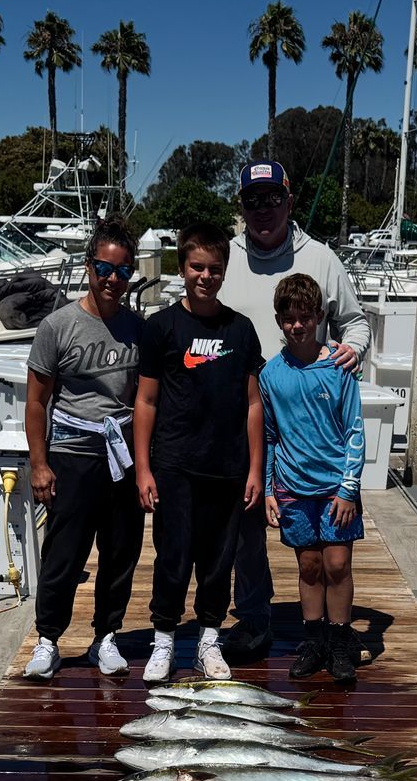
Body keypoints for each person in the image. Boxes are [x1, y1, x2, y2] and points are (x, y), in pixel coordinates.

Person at [217, 160, 371, 661]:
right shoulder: (225, 257)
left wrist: (354, 350)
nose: (263, 210)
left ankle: (333, 636)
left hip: (306, 410)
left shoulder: (322, 257)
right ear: (242, 206)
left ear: (289, 200)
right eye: (253, 201)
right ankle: (255, 618)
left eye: (272, 199)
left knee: (326, 557)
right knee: (246, 526)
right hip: (242, 408)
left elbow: (356, 323)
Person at [133, 221, 264, 683]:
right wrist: (143, 468)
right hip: (174, 466)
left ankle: (209, 639)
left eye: (214, 268)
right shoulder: (161, 327)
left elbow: (252, 403)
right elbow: (145, 401)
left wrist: (255, 470)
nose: (205, 276)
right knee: (173, 556)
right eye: (196, 267)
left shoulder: (242, 330)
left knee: (218, 561)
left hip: (227, 469)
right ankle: (164, 640)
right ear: (182, 267)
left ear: (225, 272)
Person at [22, 217, 145, 681]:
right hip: (72, 454)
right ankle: (48, 639)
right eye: (104, 268)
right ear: (89, 266)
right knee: (64, 553)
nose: (112, 279)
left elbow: (146, 399)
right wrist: (39, 464)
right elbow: (36, 401)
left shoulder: (139, 329)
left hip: (123, 456)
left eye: (122, 271)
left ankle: (106, 636)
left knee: (120, 551)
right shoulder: (58, 326)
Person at [262, 273, 365, 685]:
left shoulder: (339, 366)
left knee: (337, 563)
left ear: (320, 317)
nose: (298, 326)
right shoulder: (270, 374)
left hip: (335, 488)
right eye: (290, 319)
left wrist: (349, 488)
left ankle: (340, 642)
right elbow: (269, 435)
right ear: (279, 321)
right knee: (308, 565)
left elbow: (355, 430)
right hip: (291, 487)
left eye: (306, 317)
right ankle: (314, 640)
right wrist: (269, 488)